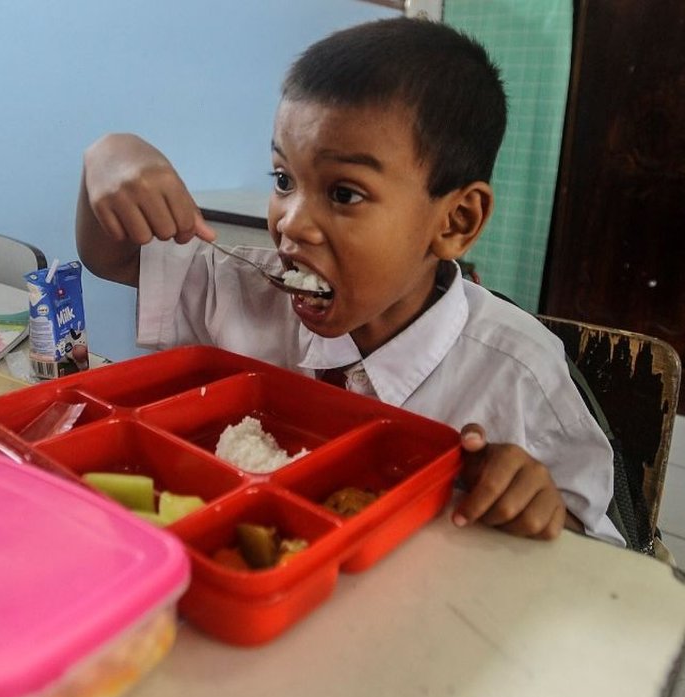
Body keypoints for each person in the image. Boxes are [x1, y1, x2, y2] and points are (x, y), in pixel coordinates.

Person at [75, 17, 624, 546]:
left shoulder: (519, 375)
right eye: (284, 179)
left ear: (455, 222)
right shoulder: (247, 291)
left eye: (344, 194)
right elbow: (115, 260)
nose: (291, 222)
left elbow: (597, 551)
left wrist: (535, 503)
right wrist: (106, 156)